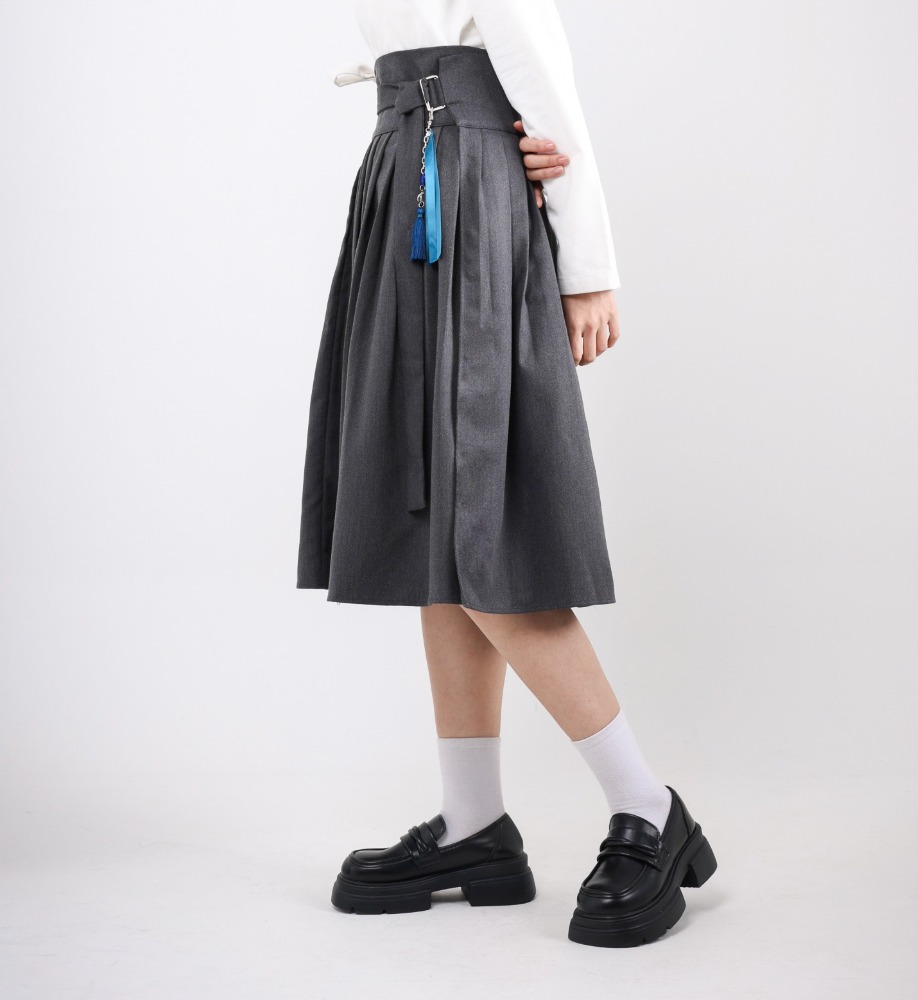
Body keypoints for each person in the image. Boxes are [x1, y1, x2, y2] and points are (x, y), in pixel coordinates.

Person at [296, 0, 717, 948]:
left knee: (480, 523)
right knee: (432, 524)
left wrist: (587, 265)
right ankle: (474, 823)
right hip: (408, 184)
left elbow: (542, 81)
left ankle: (648, 806)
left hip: (466, 199)